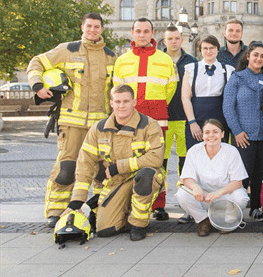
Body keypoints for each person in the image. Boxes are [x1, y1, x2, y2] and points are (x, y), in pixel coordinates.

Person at [27, 12, 116, 227]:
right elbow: (37, 62)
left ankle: (98, 211)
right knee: (67, 169)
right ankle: (56, 212)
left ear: (101, 29)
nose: (93, 30)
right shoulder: (67, 50)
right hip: (71, 123)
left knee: (101, 172)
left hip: (99, 126)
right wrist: (38, 86)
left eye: (97, 27)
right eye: (89, 26)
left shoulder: (111, 56)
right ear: (82, 27)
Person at [66, 85, 163, 241]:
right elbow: (85, 163)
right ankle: (121, 212)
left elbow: (155, 158)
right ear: (111, 103)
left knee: (146, 176)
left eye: (126, 101)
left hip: (143, 177)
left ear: (134, 102)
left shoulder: (149, 125)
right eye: (117, 101)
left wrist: (119, 166)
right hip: (115, 182)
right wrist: (77, 200)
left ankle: (138, 224)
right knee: (105, 230)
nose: (121, 105)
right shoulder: (99, 128)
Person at [113, 18, 178, 221]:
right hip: (129, 116)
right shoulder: (122, 60)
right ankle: (129, 202)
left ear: (152, 33)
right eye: (138, 31)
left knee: (159, 161)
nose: (142, 35)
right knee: (129, 158)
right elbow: (116, 90)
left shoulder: (165, 59)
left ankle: (158, 204)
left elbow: (171, 88)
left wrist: (156, 106)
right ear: (132, 33)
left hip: (157, 115)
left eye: (146, 31)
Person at [176, 119, 250, 237]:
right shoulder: (194, 151)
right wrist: (195, 187)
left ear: (222, 134)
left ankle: (228, 220)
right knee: (182, 195)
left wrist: (219, 193)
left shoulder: (231, 151)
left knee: (241, 198)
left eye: (215, 132)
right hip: (203, 196)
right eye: (207, 132)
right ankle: (204, 220)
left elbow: (237, 182)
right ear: (203, 135)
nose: (211, 136)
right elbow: (187, 178)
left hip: (225, 194)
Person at [223, 42, 263, 222]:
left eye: (262, 56)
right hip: (243, 136)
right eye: (255, 55)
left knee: (261, 173)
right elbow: (228, 107)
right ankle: (234, 210)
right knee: (241, 175)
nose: (259, 58)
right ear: (248, 56)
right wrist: (237, 131)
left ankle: (256, 207)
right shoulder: (237, 77)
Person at [161, 25, 196, 223]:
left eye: (176, 38)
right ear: (164, 41)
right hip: (163, 118)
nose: (173, 41)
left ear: (181, 40)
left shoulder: (191, 62)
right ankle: (160, 203)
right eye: (170, 39)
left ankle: (186, 204)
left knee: (185, 163)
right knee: (161, 163)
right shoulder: (158, 60)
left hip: (183, 119)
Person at [182, 36, 235, 151]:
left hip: (220, 118)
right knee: (196, 154)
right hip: (197, 117)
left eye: (212, 48)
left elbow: (231, 99)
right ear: (200, 50)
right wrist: (192, 122)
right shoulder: (191, 69)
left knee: (219, 154)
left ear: (217, 49)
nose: (208, 51)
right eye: (205, 48)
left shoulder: (228, 70)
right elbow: (185, 97)